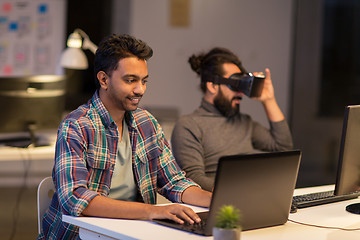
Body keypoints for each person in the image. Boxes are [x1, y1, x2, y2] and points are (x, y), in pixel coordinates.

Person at [37, 34, 212, 239]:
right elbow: (76, 198)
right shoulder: (76, 126)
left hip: (131, 233)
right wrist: (153, 211)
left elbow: (174, 182)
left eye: (144, 81)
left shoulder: (147, 124)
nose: (140, 89)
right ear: (104, 79)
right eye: (130, 80)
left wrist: (217, 200)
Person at [171, 47, 294, 191]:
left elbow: (283, 146)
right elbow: (194, 179)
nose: (241, 94)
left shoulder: (244, 122)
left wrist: (269, 100)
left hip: (251, 198)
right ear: (212, 86)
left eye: (243, 86)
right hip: (217, 205)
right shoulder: (189, 125)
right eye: (235, 85)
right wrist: (242, 192)